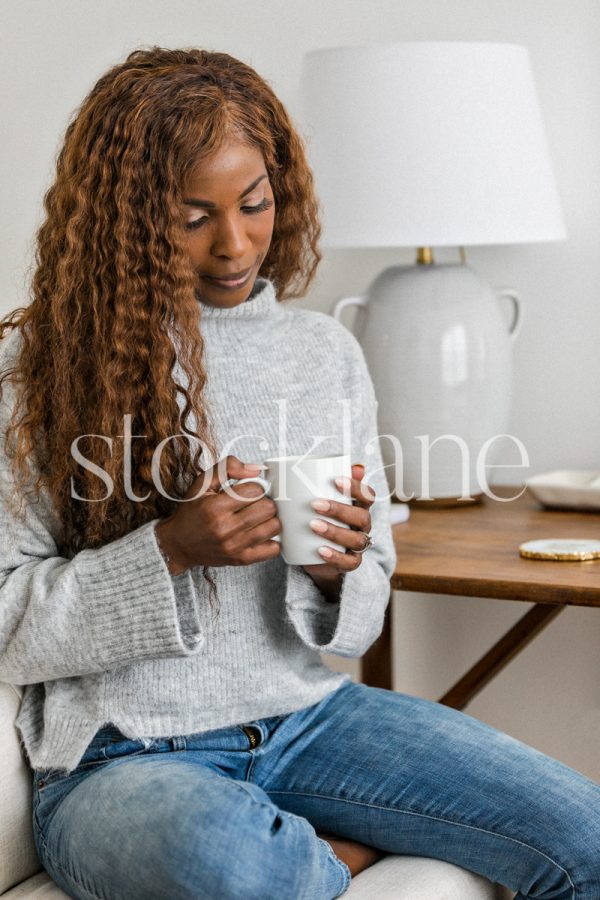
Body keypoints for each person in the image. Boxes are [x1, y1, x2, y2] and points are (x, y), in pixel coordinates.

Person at [0, 45, 598, 900]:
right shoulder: (37, 369)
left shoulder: (325, 355)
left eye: (254, 204)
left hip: (309, 721)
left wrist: (334, 566)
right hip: (120, 760)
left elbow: (360, 614)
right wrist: (168, 549)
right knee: (228, 862)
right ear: (125, 218)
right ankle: (333, 861)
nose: (235, 244)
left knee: (585, 833)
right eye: (191, 216)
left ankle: (303, 854)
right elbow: (7, 618)